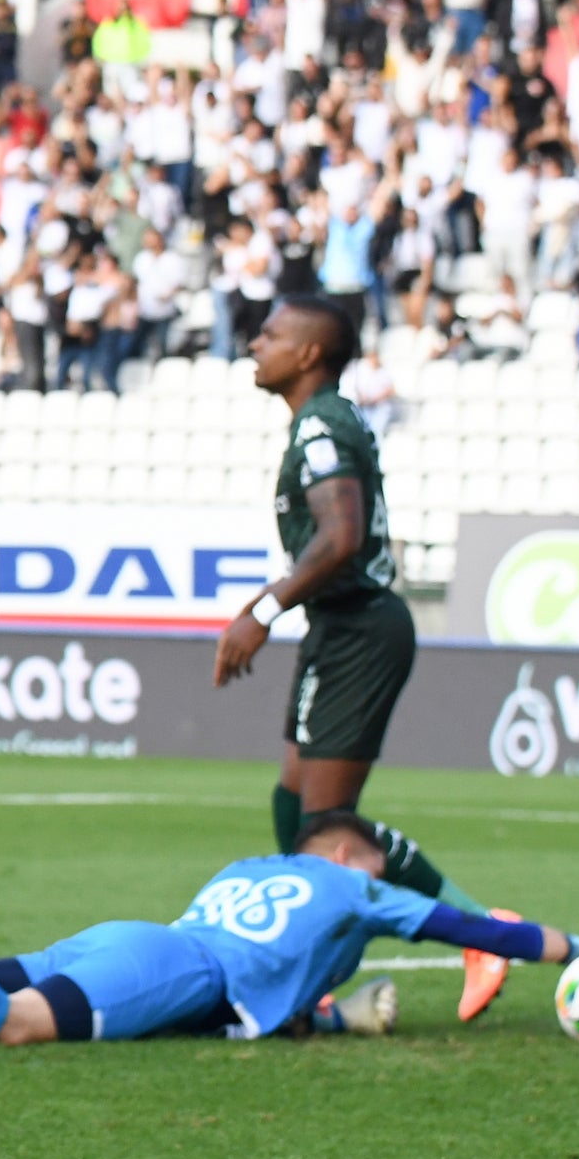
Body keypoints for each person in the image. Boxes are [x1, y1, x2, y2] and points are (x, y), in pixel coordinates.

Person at [0, 743, 579, 1045]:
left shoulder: (248, 866)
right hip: (171, 967)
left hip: (130, 941)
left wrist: (335, 1014)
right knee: (18, 1026)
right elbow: (484, 929)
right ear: (353, 855)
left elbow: (262, 977)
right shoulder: (362, 892)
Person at [214, 296, 516, 1020]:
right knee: (296, 803)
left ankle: (481, 931)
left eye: (274, 334)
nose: (257, 343)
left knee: (329, 823)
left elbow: (341, 534)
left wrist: (261, 610)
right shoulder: (320, 422)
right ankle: (308, 962)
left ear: (311, 353)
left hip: (358, 627)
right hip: (338, 625)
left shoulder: (322, 422)